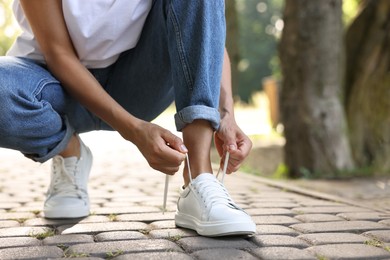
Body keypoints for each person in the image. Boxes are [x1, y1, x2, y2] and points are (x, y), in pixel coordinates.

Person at [0, 0, 255, 237]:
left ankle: (199, 178)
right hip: (53, 87)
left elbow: (201, 28)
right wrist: (134, 130)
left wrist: (225, 112)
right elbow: (58, 54)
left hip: (137, 82)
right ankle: (68, 151)